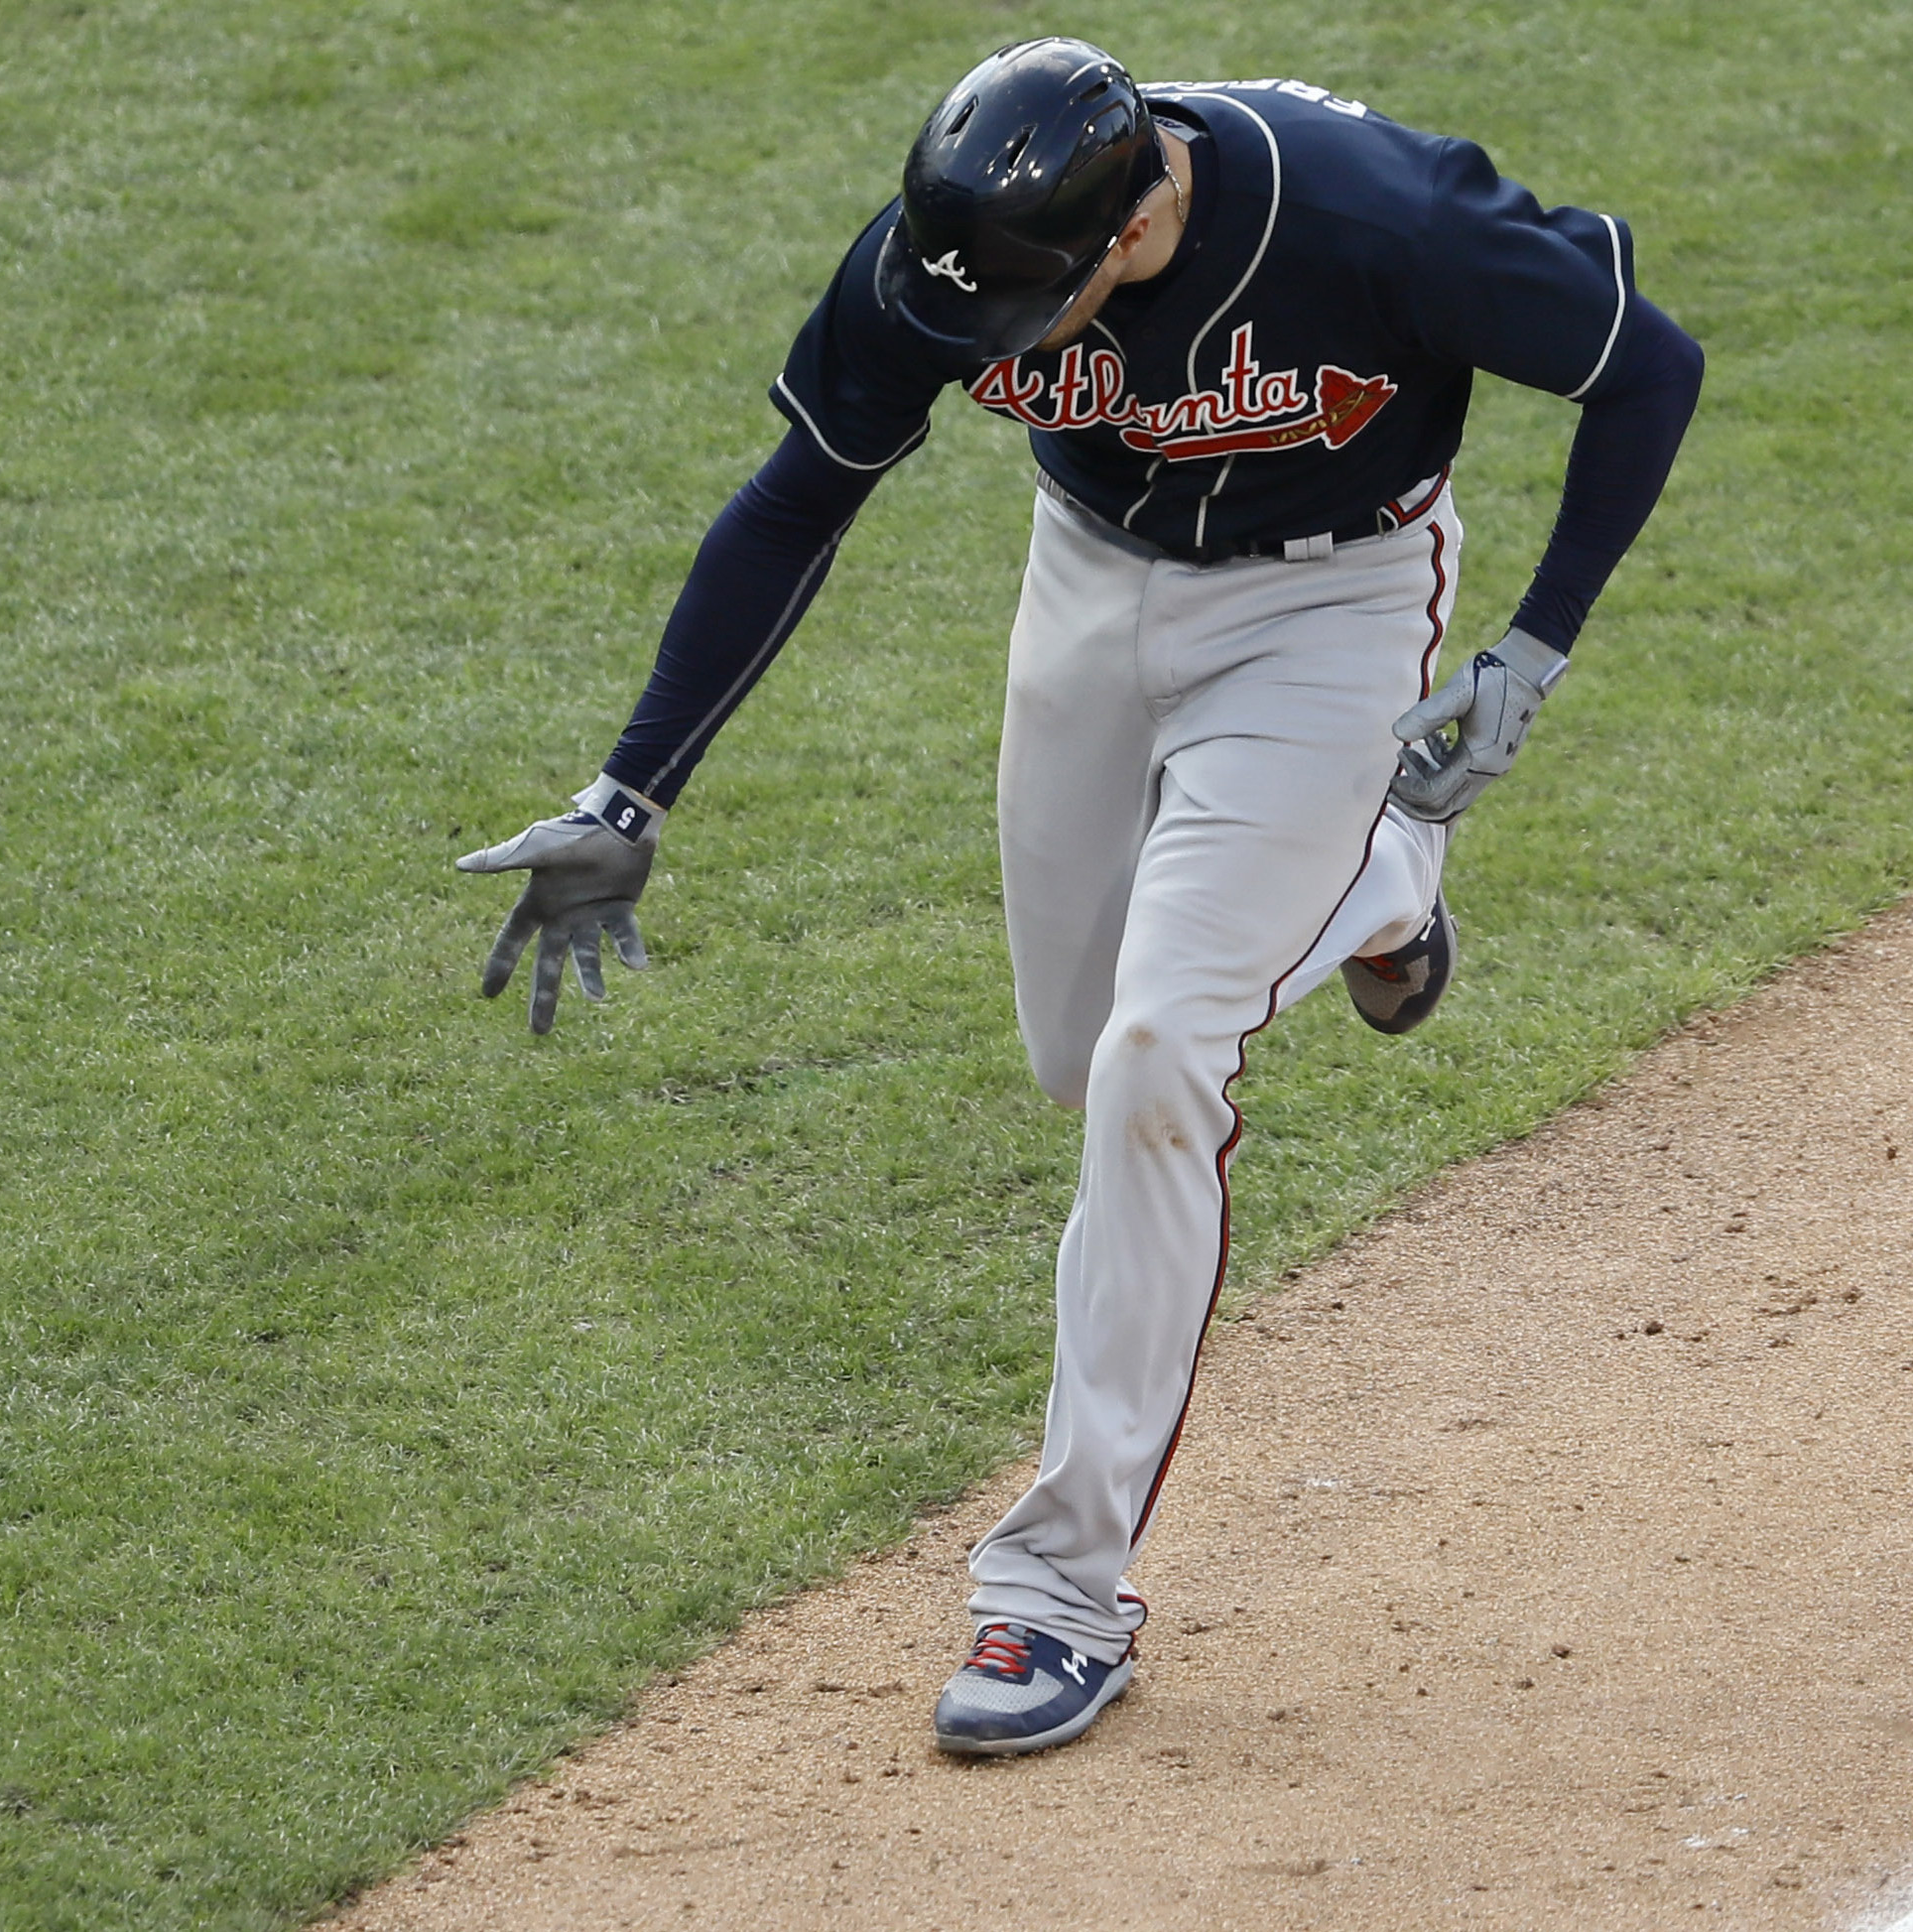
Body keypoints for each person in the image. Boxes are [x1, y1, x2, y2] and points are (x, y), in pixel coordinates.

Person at [456, 40, 1699, 1756]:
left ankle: (1054, 1595)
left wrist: (1537, 644)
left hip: (1329, 615)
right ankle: (1382, 881)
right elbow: (801, 498)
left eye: (1027, 306)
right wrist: (631, 788)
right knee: (1073, 1050)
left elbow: (1650, 365)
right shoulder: (948, 252)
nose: (983, 343)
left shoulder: (1384, 219)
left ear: (1137, 225)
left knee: (1154, 1063)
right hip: (1092, 586)